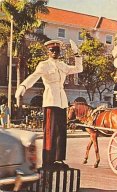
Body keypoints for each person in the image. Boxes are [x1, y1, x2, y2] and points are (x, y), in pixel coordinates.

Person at [15, 39, 83, 169]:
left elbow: (79, 68)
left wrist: (77, 54)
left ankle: (59, 159)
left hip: (62, 101)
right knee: (50, 131)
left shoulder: (62, 65)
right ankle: (48, 160)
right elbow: (34, 76)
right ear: (48, 52)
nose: (55, 53)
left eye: (57, 50)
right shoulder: (44, 65)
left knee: (61, 131)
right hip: (50, 100)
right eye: (52, 50)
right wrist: (23, 86)